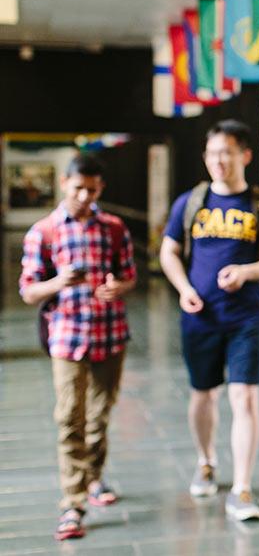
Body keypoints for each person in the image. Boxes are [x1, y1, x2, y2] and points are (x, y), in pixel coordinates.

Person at [159, 119, 259, 521]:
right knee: (204, 393)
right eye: (212, 153)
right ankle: (206, 461)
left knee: (244, 396)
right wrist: (184, 289)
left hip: (247, 316)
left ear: (244, 156)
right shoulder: (190, 203)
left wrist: (246, 272)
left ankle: (243, 488)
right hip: (201, 317)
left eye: (227, 153)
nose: (218, 161)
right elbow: (168, 252)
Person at [19, 154, 137, 541]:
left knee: (100, 418)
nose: (85, 196)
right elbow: (29, 290)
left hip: (110, 334)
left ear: (100, 188)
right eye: (78, 188)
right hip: (67, 339)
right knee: (70, 419)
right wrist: (59, 283)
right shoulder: (45, 232)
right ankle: (72, 503)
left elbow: (129, 276)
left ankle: (94, 479)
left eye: (92, 189)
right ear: (64, 184)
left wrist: (117, 287)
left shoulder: (115, 228)